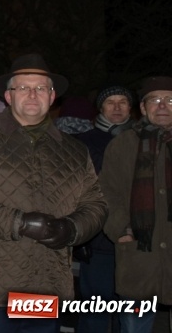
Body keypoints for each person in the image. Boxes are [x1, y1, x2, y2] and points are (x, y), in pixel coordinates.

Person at [0, 53, 107, 333]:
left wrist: (71, 229)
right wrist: (18, 222)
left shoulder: (74, 150)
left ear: (52, 95)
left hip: (47, 281)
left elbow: (95, 204)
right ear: (9, 96)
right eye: (23, 87)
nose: (32, 94)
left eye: (41, 88)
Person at [100, 77, 172, 332]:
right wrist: (121, 229)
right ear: (143, 108)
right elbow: (106, 192)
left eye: (170, 100)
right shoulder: (123, 145)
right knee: (134, 325)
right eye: (155, 100)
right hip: (139, 256)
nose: (162, 105)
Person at [73, 85, 133, 333]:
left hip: (137, 241)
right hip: (98, 240)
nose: (117, 107)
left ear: (132, 108)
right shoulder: (83, 143)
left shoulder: (144, 139)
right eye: (111, 102)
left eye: (123, 102)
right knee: (95, 310)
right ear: (101, 108)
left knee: (129, 313)